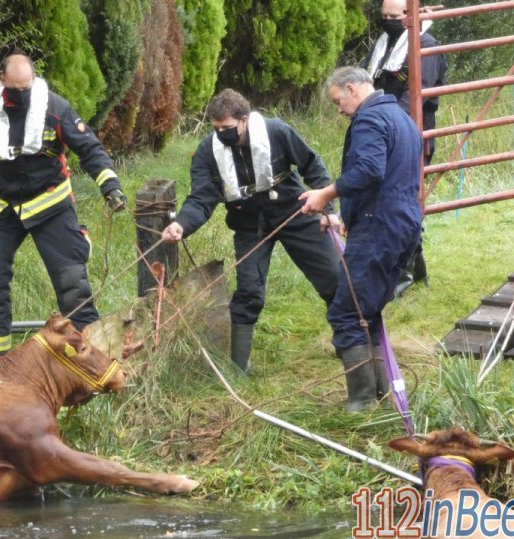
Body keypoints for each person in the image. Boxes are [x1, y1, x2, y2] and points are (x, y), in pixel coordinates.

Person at [0, 52, 127, 365]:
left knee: (72, 283)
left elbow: (90, 149)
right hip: (3, 206)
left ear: (34, 80)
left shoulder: (56, 108)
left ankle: (94, 363)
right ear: (2, 81)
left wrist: (110, 187)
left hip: (51, 204)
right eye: (14, 89)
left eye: (25, 88)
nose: (20, 94)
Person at [160, 89, 340, 373]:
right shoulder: (207, 151)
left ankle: (347, 341)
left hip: (294, 212)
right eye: (216, 129)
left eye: (227, 128)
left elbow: (313, 166)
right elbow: (201, 199)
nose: (221, 134)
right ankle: (239, 368)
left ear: (244, 120)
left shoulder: (277, 131)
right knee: (249, 292)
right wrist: (181, 224)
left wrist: (328, 210)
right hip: (248, 223)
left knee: (334, 277)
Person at [300, 67, 422, 412]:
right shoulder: (400, 117)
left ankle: (362, 403)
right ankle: (383, 396)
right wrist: (346, 217)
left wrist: (325, 194)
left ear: (352, 89)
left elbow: (369, 170)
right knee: (367, 310)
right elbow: (391, 177)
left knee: (346, 313)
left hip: (379, 227)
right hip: (402, 223)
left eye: (338, 101)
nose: (339, 110)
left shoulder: (369, 120)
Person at [362, 0, 447, 295]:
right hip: (382, 132)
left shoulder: (427, 46)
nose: (388, 20)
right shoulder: (384, 43)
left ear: (409, 15)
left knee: (402, 202)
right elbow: (366, 79)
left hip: (410, 134)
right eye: (384, 15)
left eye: (394, 16)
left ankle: (403, 274)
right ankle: (413, 270)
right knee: (390, 200)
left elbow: (417, 96)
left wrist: (384, 123)